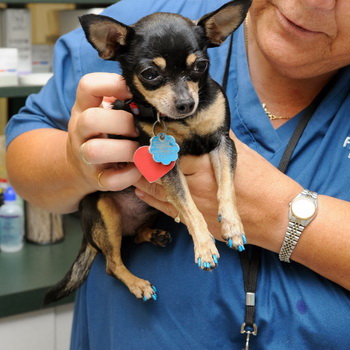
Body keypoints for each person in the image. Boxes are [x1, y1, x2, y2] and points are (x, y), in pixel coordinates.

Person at [5, 0, 350, 348]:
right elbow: (22, 150)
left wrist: (281, 215)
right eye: (153, 75)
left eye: (197, 68)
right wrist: (76, 162)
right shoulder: (144, 17)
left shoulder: (203, 47)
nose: (313, 0)